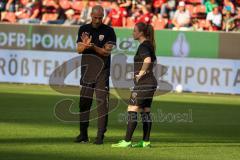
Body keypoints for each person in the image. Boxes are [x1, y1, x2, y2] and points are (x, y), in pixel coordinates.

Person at [75, 5, 116, 145]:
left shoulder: (109, 31)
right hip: (87, 71)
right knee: (84, 103)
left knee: (102, 104)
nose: (97, 20)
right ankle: (83, 135)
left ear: (103, 16)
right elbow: (79, 49)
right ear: (91, 15)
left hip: (102, 73)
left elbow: (106, 52)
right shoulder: (83, 29)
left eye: (100, 17)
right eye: (95, 17)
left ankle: (100, 136)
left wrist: (92, 47)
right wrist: (85, 45)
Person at [112, 22, 157, 148]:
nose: (133, 33)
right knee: (145, 111)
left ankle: (127, 141)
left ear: (141, 33)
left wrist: (140, 73)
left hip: (144, 84)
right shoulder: (149, 44)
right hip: (150, 83)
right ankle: (145, 141)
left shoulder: (144, 46)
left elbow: (147, 60)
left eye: (134, 30)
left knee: (132, 109)